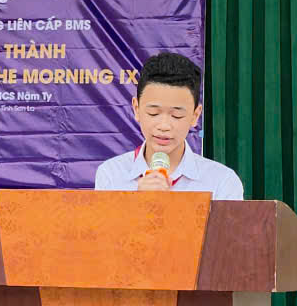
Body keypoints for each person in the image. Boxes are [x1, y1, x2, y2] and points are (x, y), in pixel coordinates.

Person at [93, 52, 244, 200]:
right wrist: (137, 203)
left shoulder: (221, 181)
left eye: (176, 115)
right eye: (153, 113)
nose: (164, 126)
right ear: (136, 109)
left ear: (195, 115)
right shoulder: (112, 175)